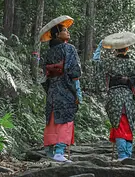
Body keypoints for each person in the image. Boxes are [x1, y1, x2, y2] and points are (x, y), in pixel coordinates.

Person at [38, 16, 83, 163]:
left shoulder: (49, 52)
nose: (68, 32)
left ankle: (50, 151)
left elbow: (45, 73)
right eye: (64, 30)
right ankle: (59, 151)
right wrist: (77, 91)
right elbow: (75, 71)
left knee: (52, 118)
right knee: (66, 118)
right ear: (57, 34)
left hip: (52, 89)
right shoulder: (69, 48)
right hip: (65, 87)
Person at [93, 32, 135, 161]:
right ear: (127, 48)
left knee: (118, 124)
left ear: (115, 49)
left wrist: (99, 49)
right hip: (128, 97)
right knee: (129, 125)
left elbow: (96, 65)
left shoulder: (109, 62)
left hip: (113, 96)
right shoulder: (132, 64)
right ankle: (127, 154)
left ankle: (122, 155)